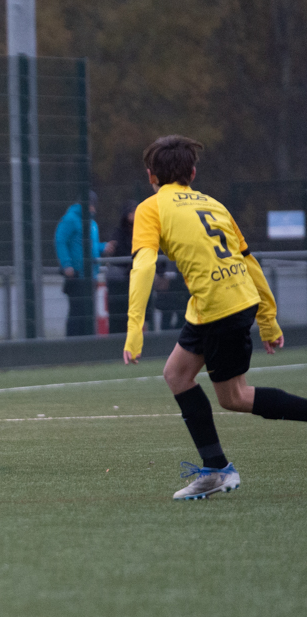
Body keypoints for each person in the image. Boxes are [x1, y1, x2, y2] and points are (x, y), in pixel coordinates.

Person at [123, 135, 307, 500]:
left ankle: (219, 471)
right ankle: (216, 469)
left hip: (219, 306)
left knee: (234, 397)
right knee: (176, 374)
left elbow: (143, 264)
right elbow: (248, 261)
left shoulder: (152, 206)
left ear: (150, 176)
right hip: (224, 301)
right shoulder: (214, 204)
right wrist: (268, 319)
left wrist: (134, 329)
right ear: (192, 173)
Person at [55, 191, 108, 336]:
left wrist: (104, 247)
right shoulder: (71, 219)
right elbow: (60, 240)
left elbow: (92, 246)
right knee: (77, 313)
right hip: (77, 275)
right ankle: (73, 345)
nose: (94, 208)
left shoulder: (92, 224)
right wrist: (67, 265)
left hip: (90, 275)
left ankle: (85, 344)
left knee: (87, 313)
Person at [102, 200, 136, 333]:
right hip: (119, 281)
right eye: (133, 212)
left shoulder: (143, 230)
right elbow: (116, 250)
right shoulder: (118, 232)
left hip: (133, 279)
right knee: (117, 315)